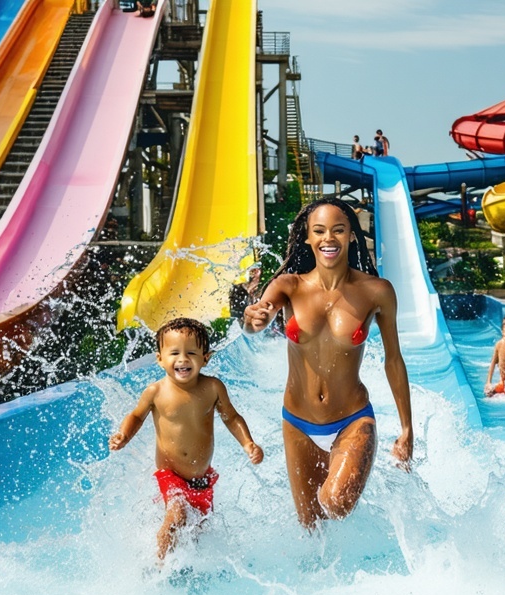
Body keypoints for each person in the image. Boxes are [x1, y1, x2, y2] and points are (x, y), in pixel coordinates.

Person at [242, 198, 414, 528]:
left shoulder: (377, 291)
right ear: (307, 237)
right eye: (319, 231)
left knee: (336, 503)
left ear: (351, 235)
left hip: (352, 420)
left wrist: (407, 430)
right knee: (312, 530)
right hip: (297, 424)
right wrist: (253, 320)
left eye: (338, 230)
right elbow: (255, 322)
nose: (328, 238)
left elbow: (393, 359)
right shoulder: (288, 286)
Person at [110, 318, 264, 561]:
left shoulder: (213, 388)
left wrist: (248, 443)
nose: (182, 359)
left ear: (206, 358)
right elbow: (136, 416)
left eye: (191, 353)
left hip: (202, 478)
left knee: (198, 530)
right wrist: (124, 435)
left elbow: (231, 417)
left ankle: (184, 567)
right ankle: (158, 566)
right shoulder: (156, 392)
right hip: (170, 474)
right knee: (178, 516)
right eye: (174, 353)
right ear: (160, 358)